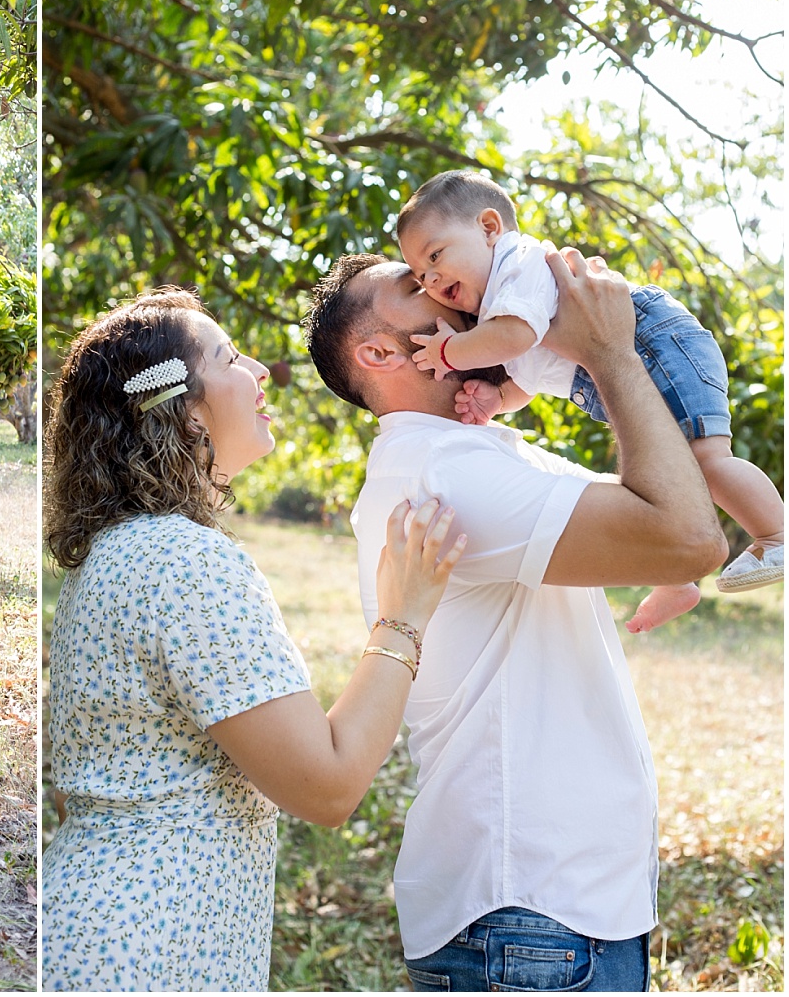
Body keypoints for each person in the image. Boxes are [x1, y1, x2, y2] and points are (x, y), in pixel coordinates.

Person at [302, 247, 727, 992]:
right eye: (417, 286)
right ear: (378, 351)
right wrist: (612, 355)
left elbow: (671, 527)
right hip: (530, 915)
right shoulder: (447, 473)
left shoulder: (478, 453)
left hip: (544, 912)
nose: (444, 287)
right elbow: (689, 535)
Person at [41, 288, 467, 991]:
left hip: (105, 933)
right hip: (147, 955)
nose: (262, 370)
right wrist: (405, 615)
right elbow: (328, 789)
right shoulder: (184, 561)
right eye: (230, 357)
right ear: (180, 406)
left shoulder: (119, 554)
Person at [396, 170, 782, 631]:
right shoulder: (496, 307)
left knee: (707, 460)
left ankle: (775, 535)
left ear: (489, 228)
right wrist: (499, 397)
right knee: (657, 479)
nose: (432, 277)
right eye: (421, 275)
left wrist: (448, 351)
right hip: (626, 364)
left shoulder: (518, 265)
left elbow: (514, 338)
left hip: (657, 343)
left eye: (436, 255)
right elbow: (532, 374)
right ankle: (674, 575)